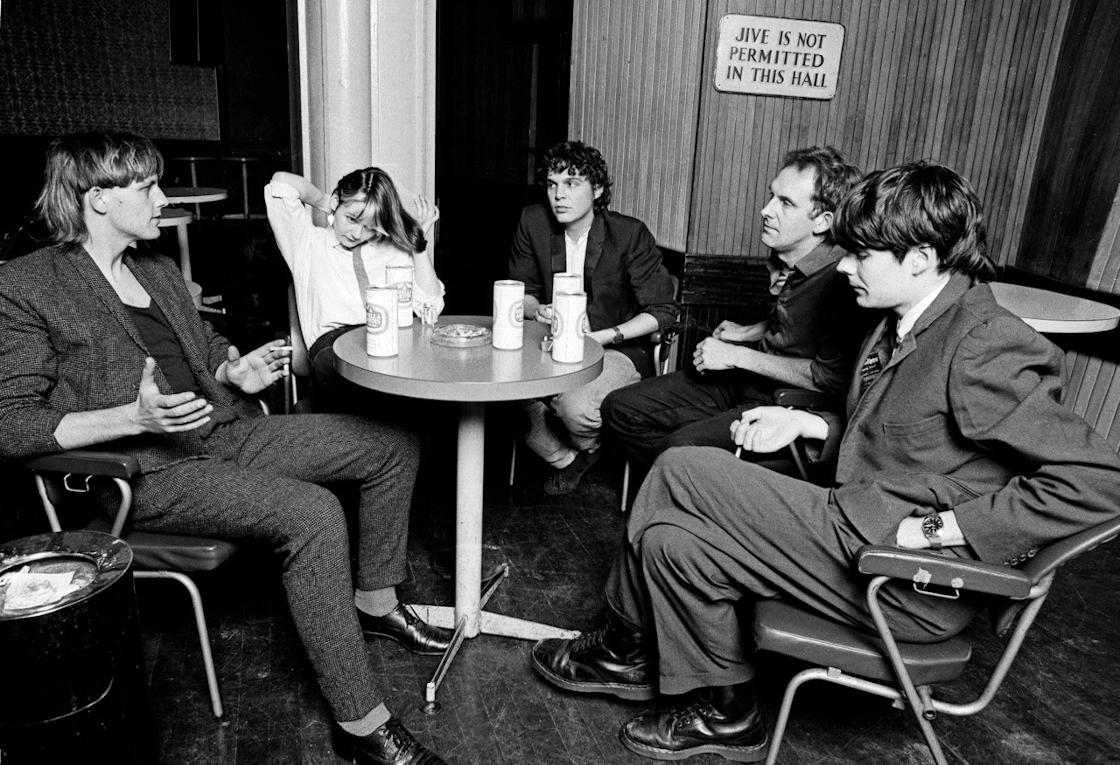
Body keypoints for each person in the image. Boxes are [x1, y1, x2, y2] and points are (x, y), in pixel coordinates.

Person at [529, 161, 1120, 762]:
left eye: (863, 254)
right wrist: (810, 422)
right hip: (856, 526)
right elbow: (898, 437)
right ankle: (729, 712)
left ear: (919, 258)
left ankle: (625, 649)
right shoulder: (906, 322)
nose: (843, 265)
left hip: (907, 578)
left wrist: (943, 529)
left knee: (683, 467)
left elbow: (1101, 482)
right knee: (670, 542)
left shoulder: (984, 341)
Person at [0, 131, 454, 765]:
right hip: (151, 472)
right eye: (148, 187)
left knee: (392, 443)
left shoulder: (155, 270)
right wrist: (129, 417)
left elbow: (208, 351)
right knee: (314, 514)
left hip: (224, 432)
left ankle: (376, 598)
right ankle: (360, 724)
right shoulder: (27, 285)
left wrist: (232, 373)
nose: (163, 198)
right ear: (97, 199)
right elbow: (11, 422)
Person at [602, 146, 865, 478]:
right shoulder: (795, 261)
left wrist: (736, 355)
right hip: (746, 383)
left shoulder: (843, 280)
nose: (765, 210)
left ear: (823, 222)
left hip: (784, 403)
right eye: (772, 196)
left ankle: (683, 487)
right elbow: (797, 322)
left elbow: (829, 378)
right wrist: (748, 332)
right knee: (620, 408)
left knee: (678, 450)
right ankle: (678, 485)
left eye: (785, 203)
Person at [508, 140, 678, 495]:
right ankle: (571, 458)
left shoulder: (629, 234)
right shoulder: (533, 222)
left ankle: (586, 434)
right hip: (548, 345)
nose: (559, 195)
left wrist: (603, 336)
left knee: (575, 406)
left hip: (618, 349)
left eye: (571, 184)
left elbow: (662, 312)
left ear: (597, 189)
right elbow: (522, 292)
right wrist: (536, 309)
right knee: (499, 398)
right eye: (552, 184)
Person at [265, 167, 444, 406]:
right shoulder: (308, 243)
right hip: (333, 352)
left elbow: (431, 305)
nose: (357, 233)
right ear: (338, 203)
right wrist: (325, 201)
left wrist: (418, 243)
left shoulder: (392, 250)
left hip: (389, 347)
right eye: (352, 219)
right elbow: (281, 183)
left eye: (370, 226)